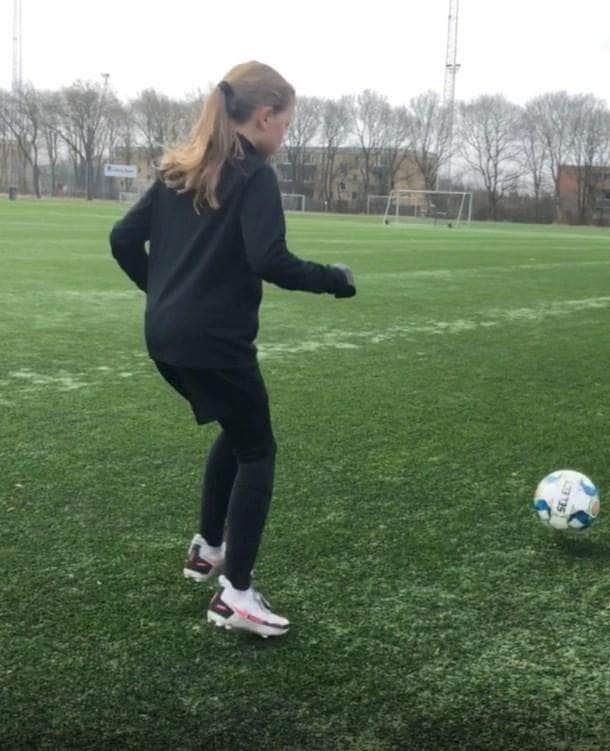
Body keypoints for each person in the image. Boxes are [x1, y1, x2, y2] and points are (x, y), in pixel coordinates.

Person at [110, 61, 355, 638]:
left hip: (166, 340)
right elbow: (270, 260)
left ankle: (207, 550)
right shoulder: (254, 175)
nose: (285, 136)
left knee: (235, 428)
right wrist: (335, 278)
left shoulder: (181, 170)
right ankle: (236, 595)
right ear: (265, 116)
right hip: (215, 343)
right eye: (287, 124)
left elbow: (122, 239)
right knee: (258, 451)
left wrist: (163, 295)